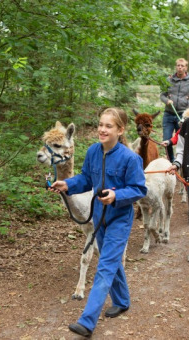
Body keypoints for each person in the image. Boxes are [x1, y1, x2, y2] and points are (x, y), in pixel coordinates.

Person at [48, 107, 147, 337]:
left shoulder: (130, 158)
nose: (102, 129)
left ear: (120, 130)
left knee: (104, 267)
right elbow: (86, 178)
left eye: (108, 126)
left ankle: (87, 320)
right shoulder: (93, 151)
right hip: (98, 215)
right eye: (100, 124)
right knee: (110, 260)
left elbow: (139, 189)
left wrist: (117, 196)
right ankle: (122, 300)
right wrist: (67, 185)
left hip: (119, 219)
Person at [160, 58, 189, 162]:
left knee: (182, 140)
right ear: (175, 66)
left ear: (186, 68)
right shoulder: (169, 80)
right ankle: (170, 161)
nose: (180, 68)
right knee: (167, 139)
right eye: (178, 65)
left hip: (182, 115)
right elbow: (162, 95)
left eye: (182, 66)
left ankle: (179, 162)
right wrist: (167, 100)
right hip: (168, 114)